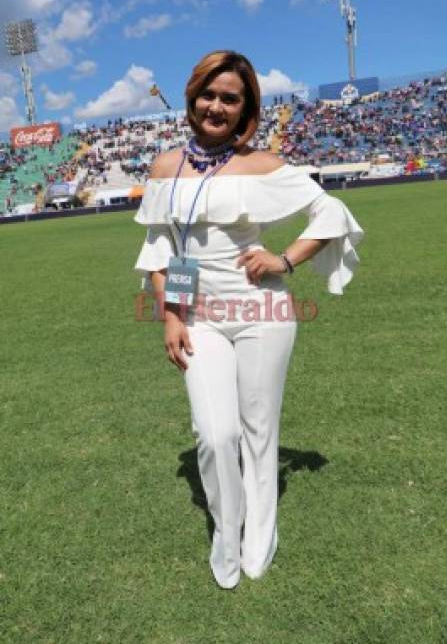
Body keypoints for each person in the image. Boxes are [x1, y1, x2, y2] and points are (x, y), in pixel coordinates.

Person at [134, 50, 364, 589]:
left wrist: (283, 259)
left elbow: (330, 214)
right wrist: (171, 317)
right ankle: (226, 528)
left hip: (262, 309)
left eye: (229, 98)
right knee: (215, 434)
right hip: (200, 316)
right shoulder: (165, 165)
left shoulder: (263, 164)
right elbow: (160, 248)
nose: (216, 106)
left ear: (246, 107)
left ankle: (260, 531)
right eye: (208, 94)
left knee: (260, 431)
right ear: (192, 97)